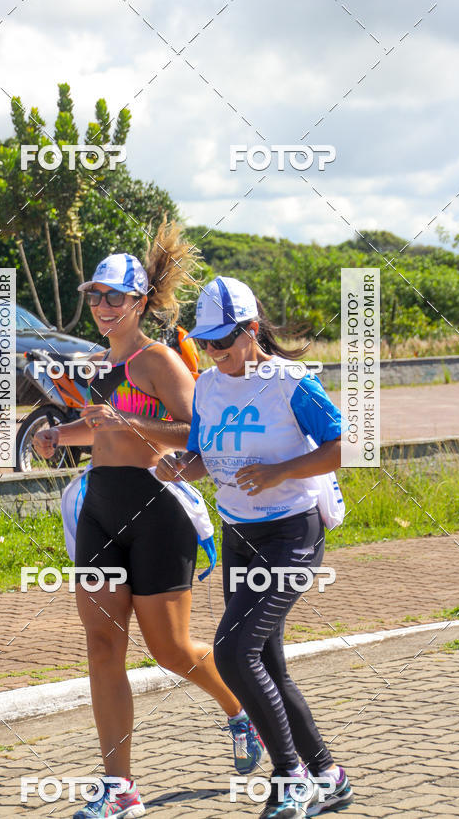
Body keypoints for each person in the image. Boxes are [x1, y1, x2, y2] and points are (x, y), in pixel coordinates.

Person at [34, 227, 264, 819]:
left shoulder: (158, 360)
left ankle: (240, 711)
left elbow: (199, 432)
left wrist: (128, 424)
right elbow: (99, 430)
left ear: (139, 302)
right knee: (102, 645)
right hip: (100, 509)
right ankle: (120, 788)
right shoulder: (95, 364)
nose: (104, 306)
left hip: (158, 512)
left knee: (169, 649)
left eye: (116, 297)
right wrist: (57, 435)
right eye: (96, 296)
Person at [157, 276, 354, 819]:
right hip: (239, 535)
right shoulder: (206, 386)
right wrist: (182, 467)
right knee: (266, 661)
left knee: (232, 650)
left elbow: (350, 444)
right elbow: (203, 455)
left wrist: (280, 472)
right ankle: (329, 776)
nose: (214, 352)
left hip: (292, 534)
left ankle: (290, 777)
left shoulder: (290, 382)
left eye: (223, 340)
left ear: (250, 330)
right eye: (206, 342)